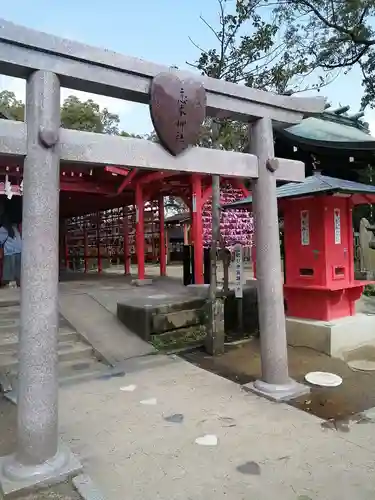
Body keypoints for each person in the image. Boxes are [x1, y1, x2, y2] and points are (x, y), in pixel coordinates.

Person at [0, 214, 22, 288]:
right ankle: (17, 286)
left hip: (10, 253)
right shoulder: (14, 228)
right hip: (19, 251)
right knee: (17, 270)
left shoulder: (3, 229)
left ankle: (12, 286)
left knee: (10, 271)